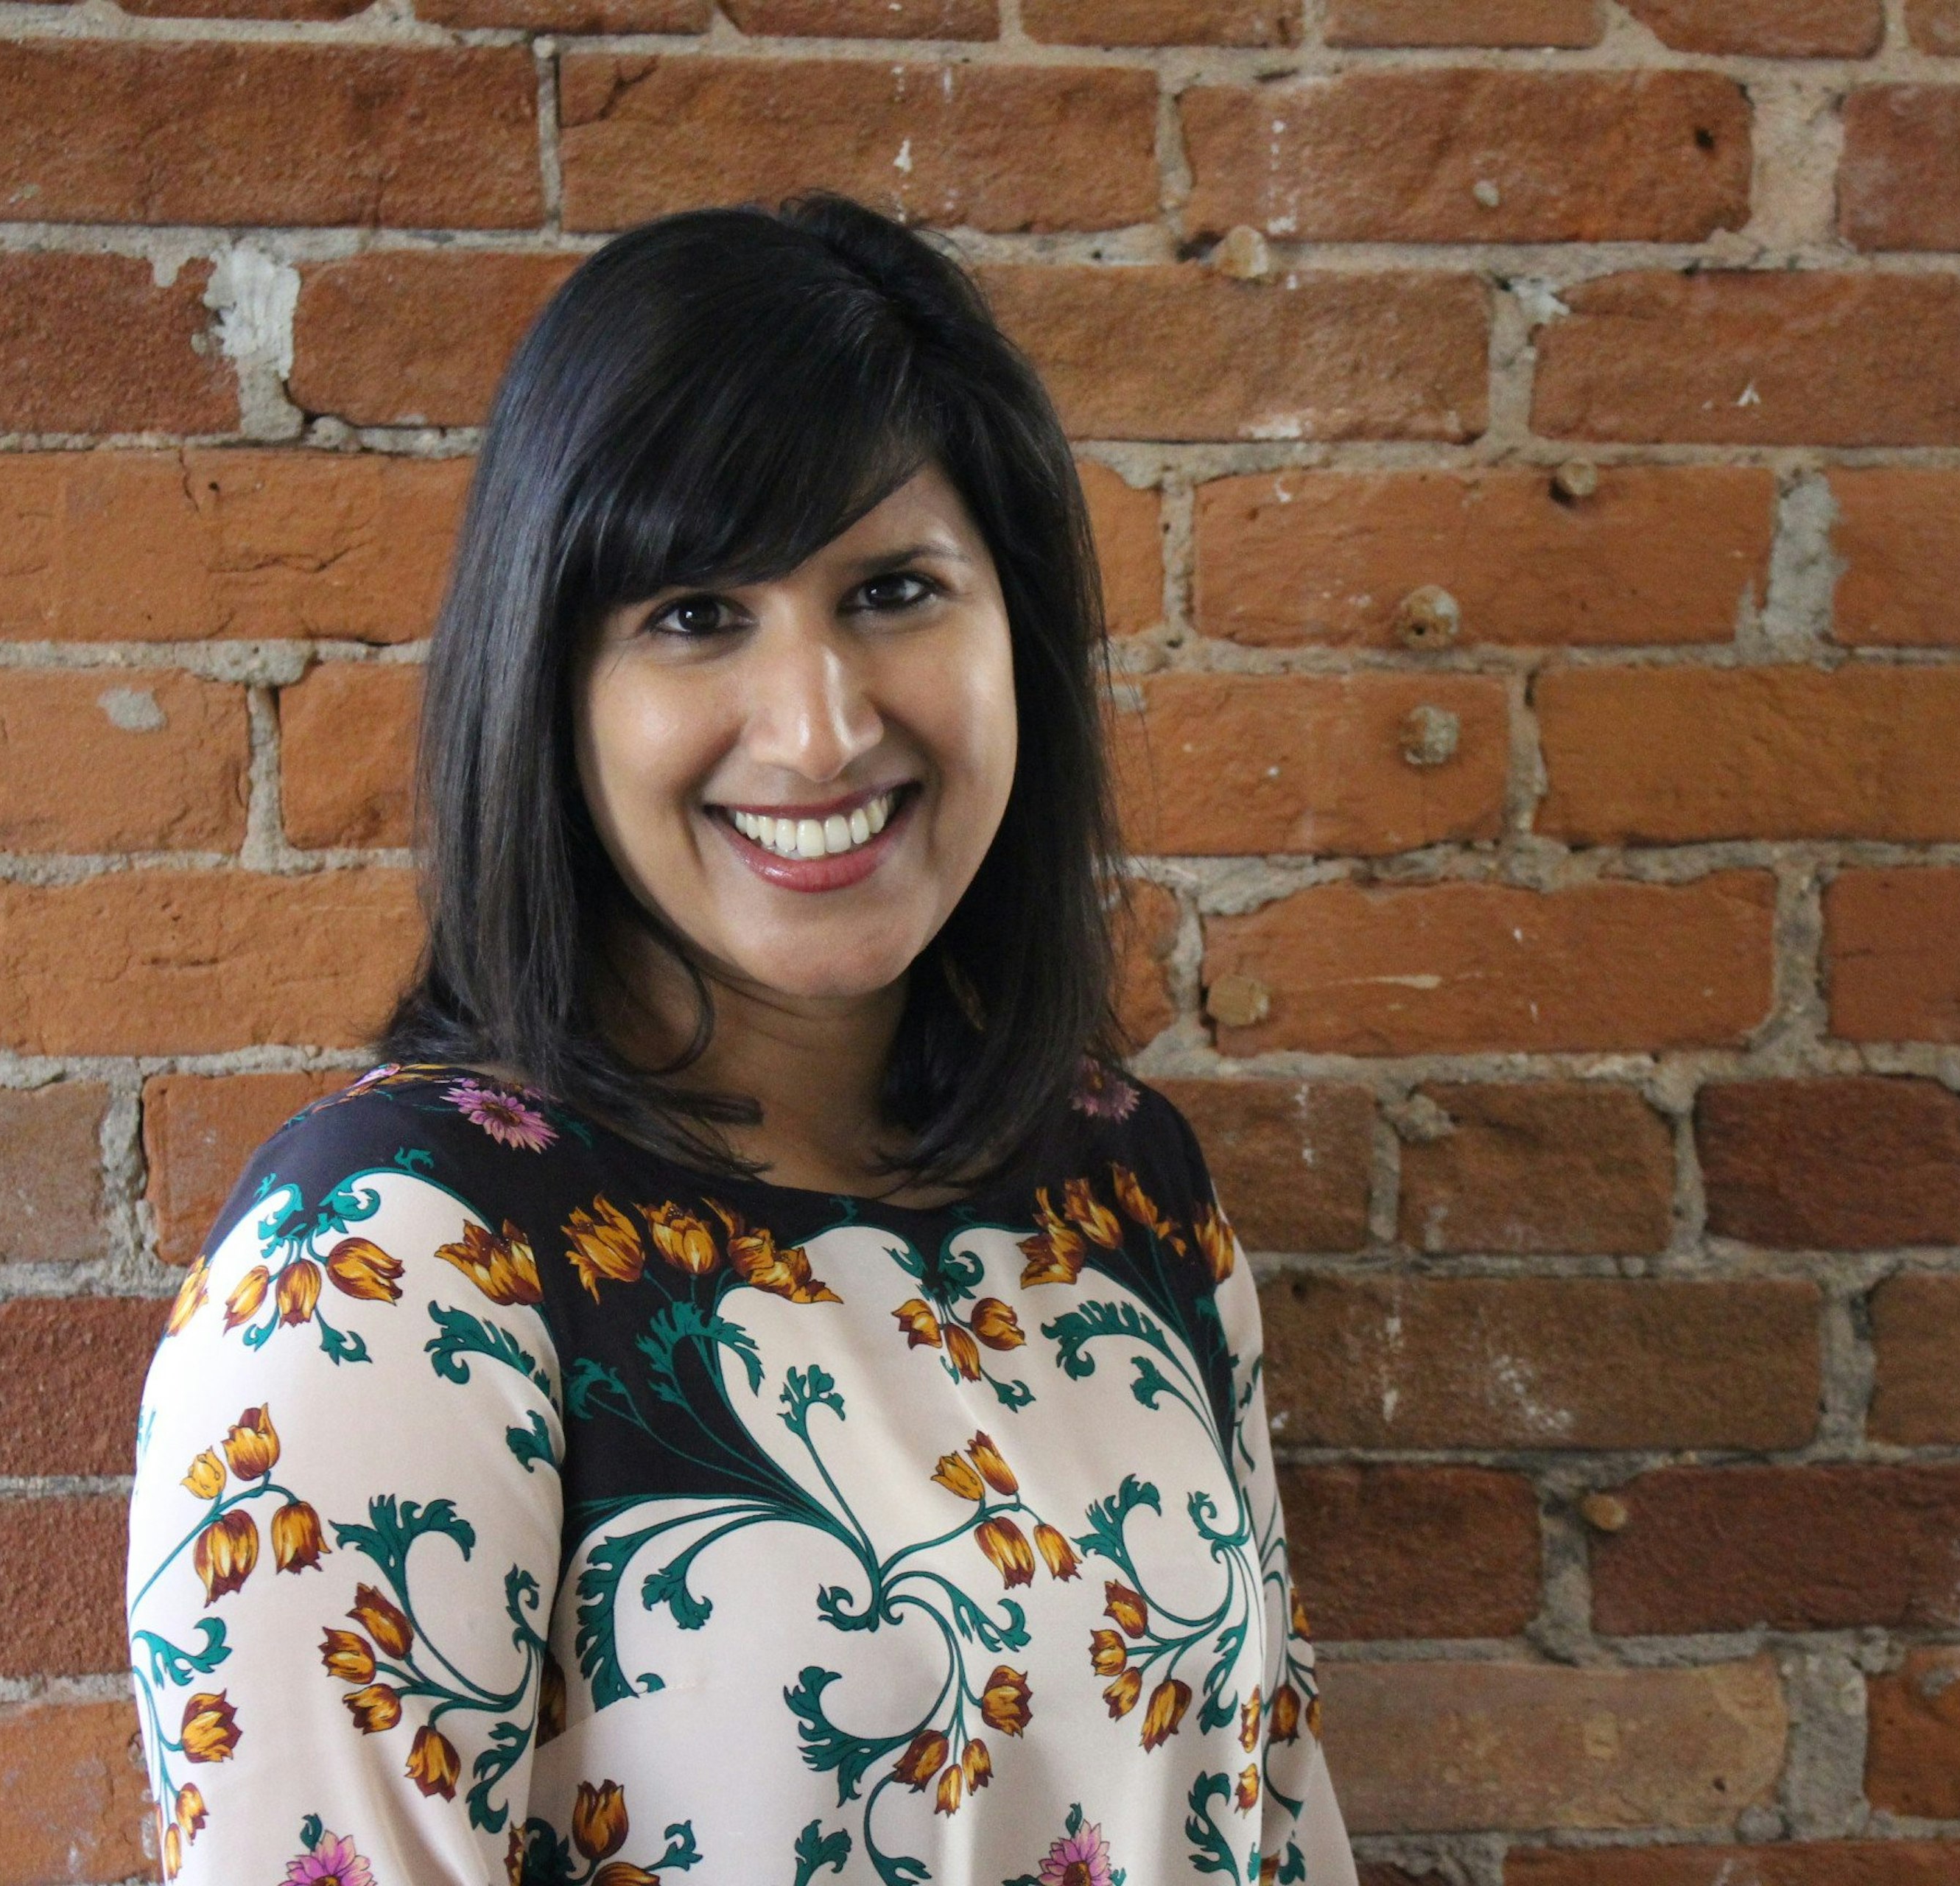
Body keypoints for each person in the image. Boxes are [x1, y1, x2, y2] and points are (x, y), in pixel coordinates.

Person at [122, 191, 1358, 1886]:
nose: (820, 727)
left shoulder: (1129, 1190)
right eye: (698, 613)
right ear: (552, 684)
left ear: (1023, 637)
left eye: (897, 589)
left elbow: (1271, 1814)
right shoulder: (384, 1272)